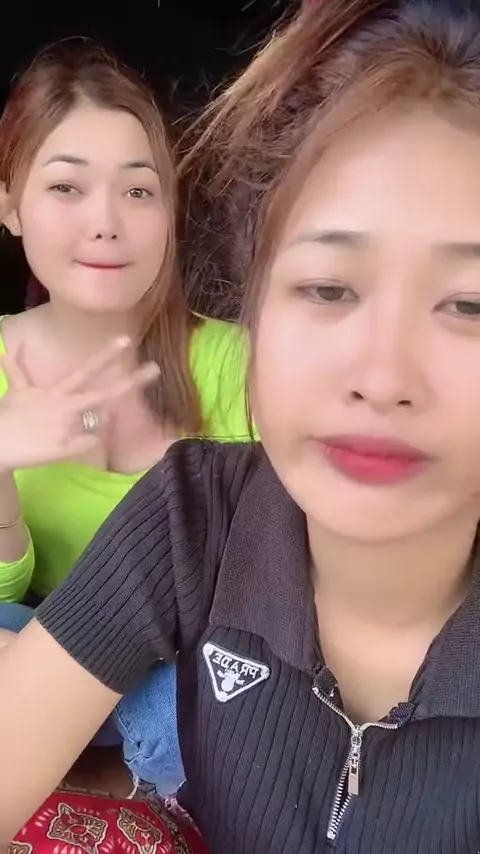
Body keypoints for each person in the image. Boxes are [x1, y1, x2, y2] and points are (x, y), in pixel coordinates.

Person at [4, 0, 480, 850]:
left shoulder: (221, 372)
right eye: (328, 288)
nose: (381, 377)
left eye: (470, 305)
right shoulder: (196, 509)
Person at [0, 42, 249, 794]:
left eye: (139, 190)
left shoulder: (241, 364)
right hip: (31, 651)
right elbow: (6, 597)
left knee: (203, 702)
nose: (106, 223)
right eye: (66, 187)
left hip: (182, 683)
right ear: (9, 205)